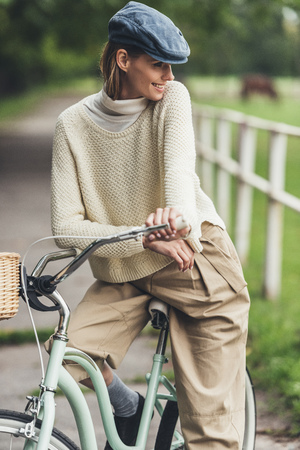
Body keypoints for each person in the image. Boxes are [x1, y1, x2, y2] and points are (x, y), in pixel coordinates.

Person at [48, 2, 250, 448]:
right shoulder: (72, 126)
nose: (169, 77)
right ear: (124, 60)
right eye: (158, 64)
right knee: (66, 361)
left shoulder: (172, 100)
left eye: (172, 66)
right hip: (129, 267)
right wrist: (143, 236)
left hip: (194, 264)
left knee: (209, 431)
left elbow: (178, 172)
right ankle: (128, 408)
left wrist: (175, 222)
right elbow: (65, 227)